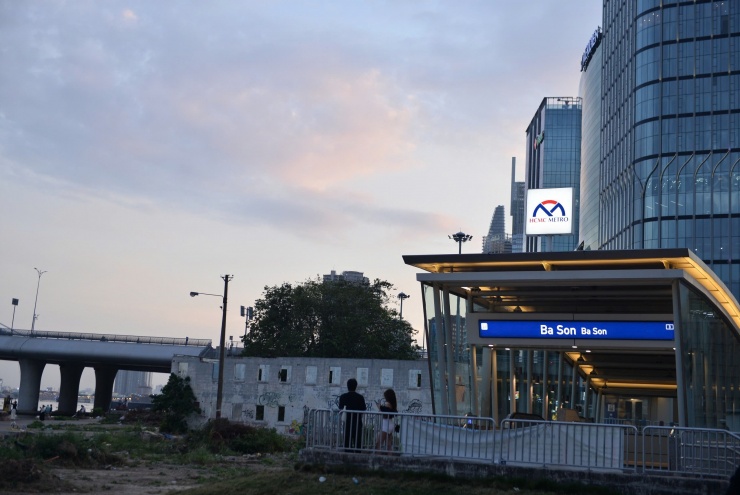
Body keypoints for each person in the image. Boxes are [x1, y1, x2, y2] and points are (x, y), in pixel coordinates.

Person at [338, 378, 366, 452]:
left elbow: (340, 409)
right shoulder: (360, 397)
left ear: (347, 386)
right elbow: (363, 409)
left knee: (347, 440)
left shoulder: (343, 397)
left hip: (347, 421)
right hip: (357, 422)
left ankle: (347, 454)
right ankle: (358, 454)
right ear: (356, 386)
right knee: (358, 441)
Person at [375, 388, 398, 453]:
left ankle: (378, 457)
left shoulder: (387, 404)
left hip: (386, 425)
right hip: (390, 424)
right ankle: (390, 457)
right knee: (388, 445)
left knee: (378, 444)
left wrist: (380, 407)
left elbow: (385, 414)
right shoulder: (392, 404)